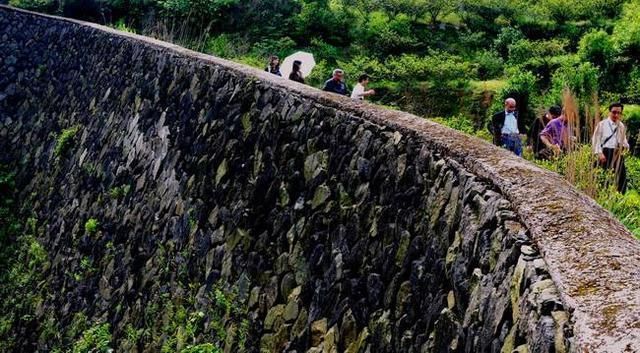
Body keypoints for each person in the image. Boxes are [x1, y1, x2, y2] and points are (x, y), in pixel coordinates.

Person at [592, 102, 630, 193]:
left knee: (621, 179)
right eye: (614, 112)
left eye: (619, 113)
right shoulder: (602, 124)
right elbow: (595, 139)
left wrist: (625, 146)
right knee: (601, 179)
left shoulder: (621, 126)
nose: (616, 115)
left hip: (617, 153)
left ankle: (617, 199)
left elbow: (624, 141)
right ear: (609, 112)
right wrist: (599, 153)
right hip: (604, 154)